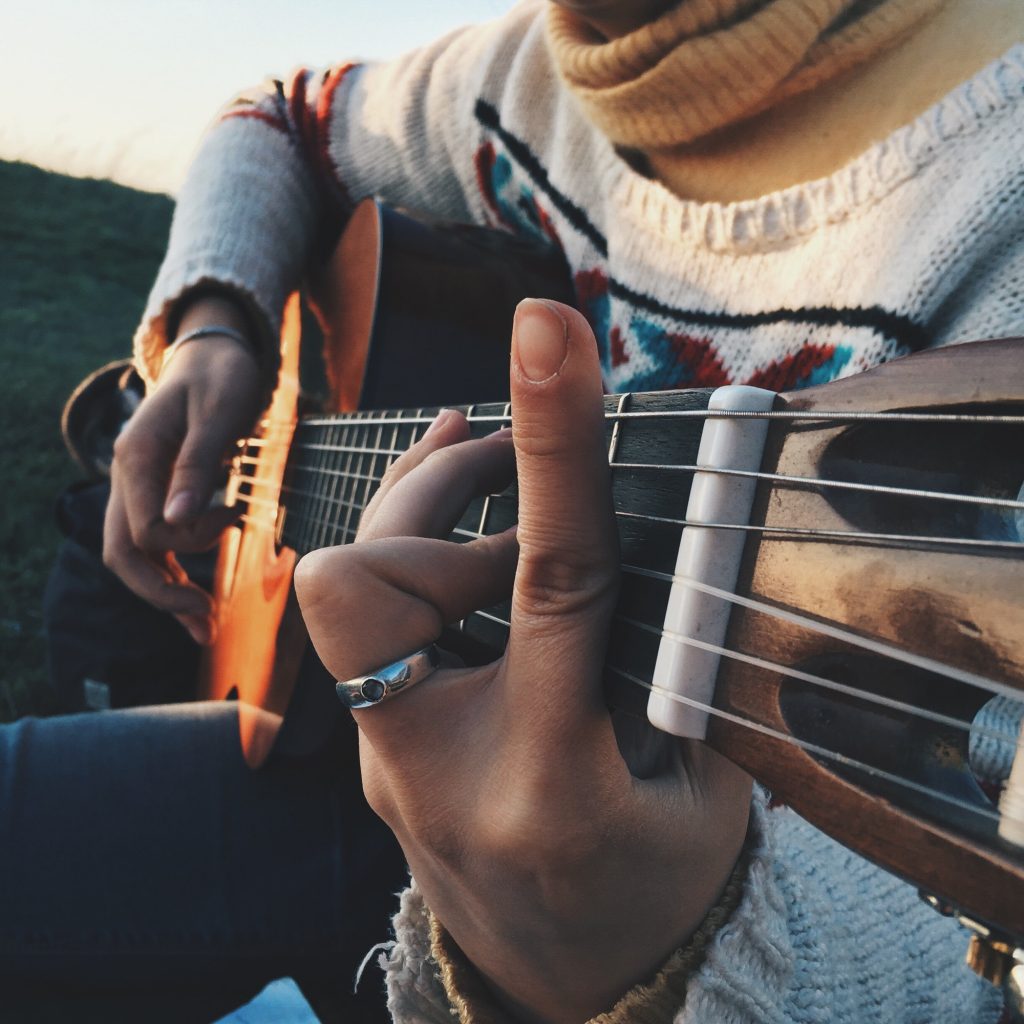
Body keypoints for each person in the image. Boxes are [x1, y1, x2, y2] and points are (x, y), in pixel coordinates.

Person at [83, 0, 1024, 1019]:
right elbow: (273, 119)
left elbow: (960, 953)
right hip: (349, 744)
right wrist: (215, 328)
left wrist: (643, 955)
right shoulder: (534, 69)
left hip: (612, 902)